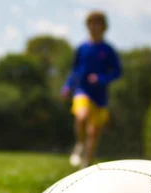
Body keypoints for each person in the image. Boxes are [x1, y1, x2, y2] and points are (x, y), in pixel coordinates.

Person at [61, 10, 122, 169]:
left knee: (93, 133)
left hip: (100, 97)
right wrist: (68, 86)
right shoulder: (82, 48)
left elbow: (117, 71)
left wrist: (101, 79)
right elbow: (74, 71)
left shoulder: (108, 50)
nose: (94, 26)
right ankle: (80, 145)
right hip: (82, 91)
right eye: (91, 23)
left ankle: (86, 164)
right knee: (81, 116)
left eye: (97, 23)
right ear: (87, 26)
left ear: (104, 27)